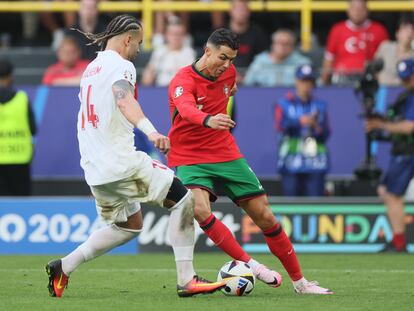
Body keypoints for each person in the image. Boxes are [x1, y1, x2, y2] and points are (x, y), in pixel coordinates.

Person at [45, 15, 227, 298]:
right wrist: (152, 132)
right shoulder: (122, 66)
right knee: (185, 200)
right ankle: (187, 279)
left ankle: (64, 267)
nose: (140, 49)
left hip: (94, 169)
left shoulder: (91, 69)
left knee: (129, 226)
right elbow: (124, 99)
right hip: (121, 162)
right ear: (127, 39)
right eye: (139, 43)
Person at [167, 28, 333, 294]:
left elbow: (227, 90)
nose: (227, 65)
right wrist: (209, 119)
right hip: (190, 156)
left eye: (231, 59)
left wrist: (223, 101)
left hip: (225, 152)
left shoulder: (229, 74)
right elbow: (186, 109)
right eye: (222, 58)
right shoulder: (181, 80)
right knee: (199, 210)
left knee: (265, 216)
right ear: (207, 51)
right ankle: (251, 265)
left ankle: (301, 283)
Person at [365, 58, 414, 253]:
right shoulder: (406, 96)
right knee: (387, 191)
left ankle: (399, 243)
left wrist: (381, 125)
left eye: (408, 78)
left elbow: (410, 127)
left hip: (409, 151)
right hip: (403, 150)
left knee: (391, 193)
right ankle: (398, 240)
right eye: (403, 78)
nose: (405, 81)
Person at [275, 65, 330, 196]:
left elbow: (327, 132)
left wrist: (316, 127)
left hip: (315, 161)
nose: (306, 85)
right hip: (291, 159)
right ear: (296, 81)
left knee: (315, 202)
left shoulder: (320, 105)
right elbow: (279, 127)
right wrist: (300, 122)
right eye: (303, 80)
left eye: (309, 81)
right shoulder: (284, 103)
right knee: (291, 202)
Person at [321, 0, 389, 85]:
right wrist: (323, 82)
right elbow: (329, 59)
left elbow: (386, 59)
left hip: (369, 78)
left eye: (360, 9)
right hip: (342, 79)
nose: (357, 12)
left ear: (367, 10)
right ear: (348, 10)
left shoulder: (379, 30)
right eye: (354, 8)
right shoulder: (337, 30)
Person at [0, 59, 36, 196]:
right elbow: (33, 129)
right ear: (10, 76)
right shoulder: (22, 98)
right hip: (19, 159)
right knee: (21, 204)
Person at [243, 29, 310, 87]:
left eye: (287, 44)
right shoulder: (260, 61)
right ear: (273, 45)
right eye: (279, 43)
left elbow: (311, 86)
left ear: (292, 46)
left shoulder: (302, 63)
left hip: (292, 99)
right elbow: (248, 83)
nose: (282, 47)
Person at [141, 19, 196, 86]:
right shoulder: (159, 51)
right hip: (160, 90)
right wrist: (149, 72)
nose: (176, 37)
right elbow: (146, 81)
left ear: (184, 36)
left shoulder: (189, 53)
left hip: (180, 90)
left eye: (179, 34)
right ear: (166, 35)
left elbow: (191, 79)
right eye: (173, 34)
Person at [228, 0, 268, 82]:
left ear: (249, 12)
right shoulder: (220, 33)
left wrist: (248, 76)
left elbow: (264, 59)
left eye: (244, 10)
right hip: (226, 77)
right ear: (231, 11)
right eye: (238, 9)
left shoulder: (258, 33)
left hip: (253, 77)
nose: (241, 13)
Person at [375, 18, 414, 86]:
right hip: (384, 90)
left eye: (412, 30)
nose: (409, 33)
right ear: (397, 34)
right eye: (405, 30)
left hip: (405, 92)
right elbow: (374, 69)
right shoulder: (386, 47)